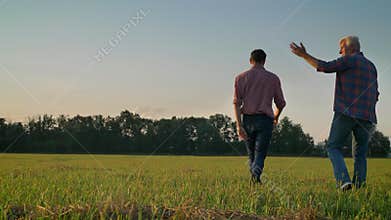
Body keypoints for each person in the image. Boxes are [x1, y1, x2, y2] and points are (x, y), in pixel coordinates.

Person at [290, 36, 379, 190]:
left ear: (350, 49)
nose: (339, 52)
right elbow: (376, 94)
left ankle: (344, 181)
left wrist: (304, 55)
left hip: (346, 112)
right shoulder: (371, 66)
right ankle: (359, 187)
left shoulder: (349, 59)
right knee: (360, 155)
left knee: (333, 147)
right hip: (367, 116)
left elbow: (324, 66)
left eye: (341, 48)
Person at [233, 49, 286, 183]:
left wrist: (239, 125)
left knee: (251, 153)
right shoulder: (273, 78)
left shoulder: (240, 78)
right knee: (260, 153)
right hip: (265, 120)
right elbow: (281, 103)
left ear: (251, 61)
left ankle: (255, 178)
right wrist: (276, 116)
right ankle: (255, 178)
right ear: (264, 61)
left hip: (248, 120)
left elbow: (236, 104)